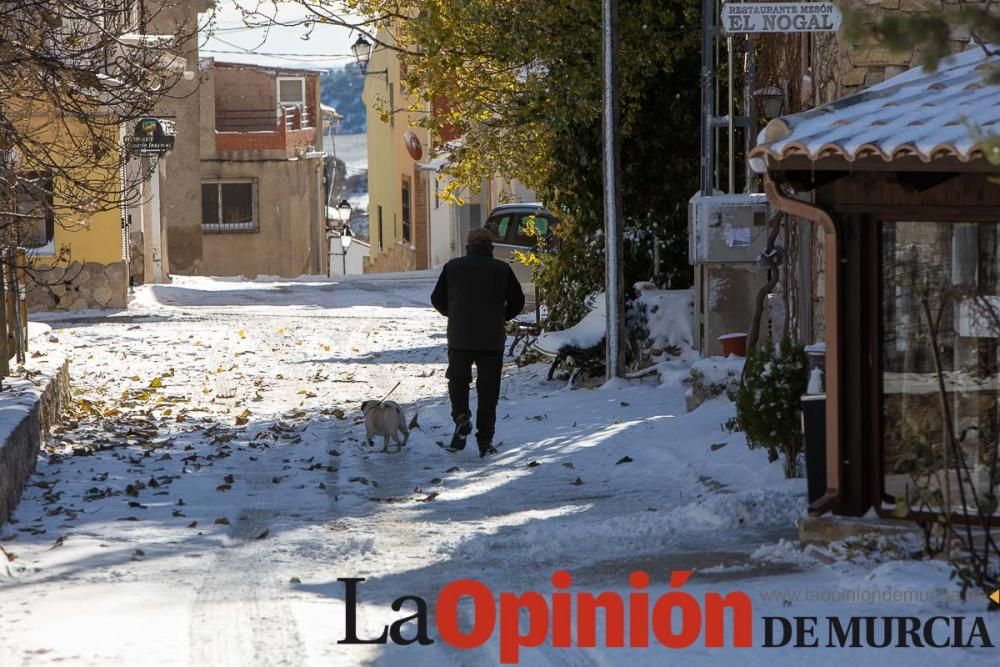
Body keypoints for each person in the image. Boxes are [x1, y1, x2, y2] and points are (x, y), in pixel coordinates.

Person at [431, 227, 525, 457]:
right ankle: (485, 440)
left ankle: (461, 417)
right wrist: (500, 317)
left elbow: (436, 299)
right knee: (488, 390)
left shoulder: (452, 267)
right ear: (491, 248)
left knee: (458, 380)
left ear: (467, 247)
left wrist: (454, 314)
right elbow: (518, 301)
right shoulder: (502, 269)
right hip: (491, 339)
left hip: (460, 336)